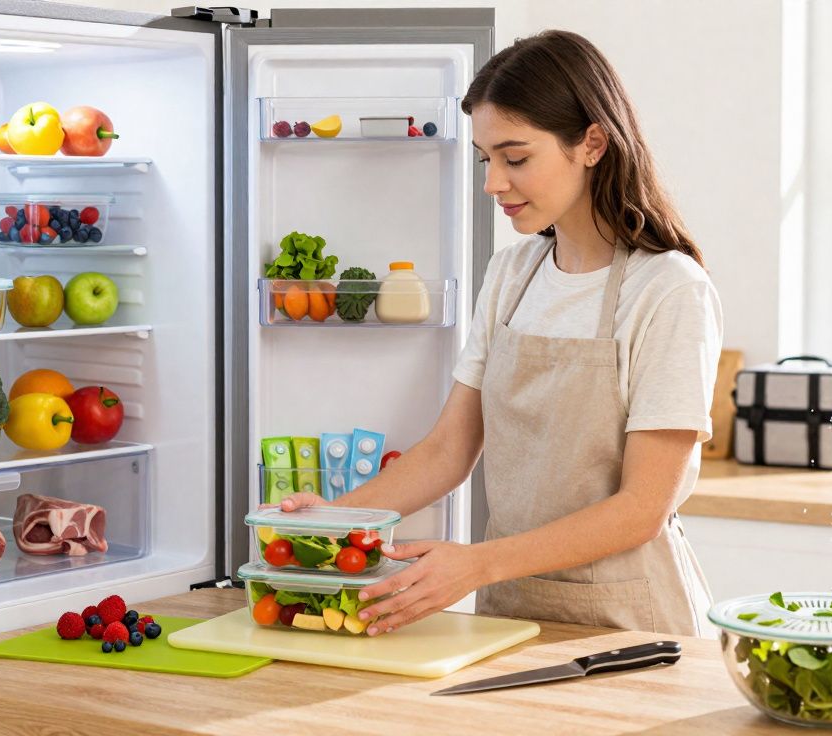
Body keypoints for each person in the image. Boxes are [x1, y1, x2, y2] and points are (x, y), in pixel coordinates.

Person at [279, 30, 723, 637]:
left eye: (515, 159)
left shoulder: (668, 289)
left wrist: (476, 564)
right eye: (486, 159)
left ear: (592, 144)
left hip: (630, 624)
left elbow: (642, 509)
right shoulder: (513, 274)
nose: (492, 183)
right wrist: (332, 519)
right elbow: (448, 451)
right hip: (511, 611)